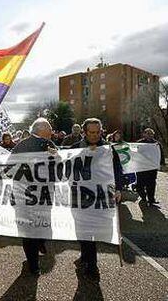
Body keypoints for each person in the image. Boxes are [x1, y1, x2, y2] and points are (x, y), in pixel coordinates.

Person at [71, 118, 123, 277]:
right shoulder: (74, 149)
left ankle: (92, 266)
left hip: (99, 197)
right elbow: (63, 166)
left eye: (97, 132)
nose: (94, 135)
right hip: (79, 197)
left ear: (101, 131)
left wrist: (119, 188)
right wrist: (54, 155)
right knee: (81, 230)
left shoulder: (108, 149)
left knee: (92, 229)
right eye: (91, 132)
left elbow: (117, 170)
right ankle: (86, 254)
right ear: (84, 132)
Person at [11, 118, 56, 275]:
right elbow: (9, 168)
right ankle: (33, 263)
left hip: (45, 195)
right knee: (28, 230)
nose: (52, 131)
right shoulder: (23, 145)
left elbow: (59, 167)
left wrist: (56, 158)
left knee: (43, 224)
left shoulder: (51, 145)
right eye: (49, 128)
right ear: (40, 129)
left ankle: (40, 243)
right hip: (26, 196)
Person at [135, 128, 165, 206]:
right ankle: (143, 197)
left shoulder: (156, 144)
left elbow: (161, 154)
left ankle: (151, 199)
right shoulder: (139, 143)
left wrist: (162, 163)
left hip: (152, 169)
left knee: (151, 184)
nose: (149, 135)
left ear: (153, 135)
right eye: (148, 133)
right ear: (144, 134)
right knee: (139, 186)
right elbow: (134, 154)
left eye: (151, 134)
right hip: (141, 168)